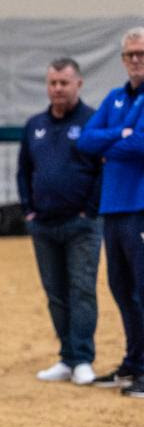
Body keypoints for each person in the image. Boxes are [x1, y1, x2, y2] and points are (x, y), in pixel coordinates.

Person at [17, 58, 102, 386]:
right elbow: (24, 171)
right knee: (55, 293)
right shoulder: (34, 125)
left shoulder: (93, 121)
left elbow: (103, 169)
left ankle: (83, 358)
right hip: (43, 225)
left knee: (82, 290)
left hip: (82, 225)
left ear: (78, 84)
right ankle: (67, 357)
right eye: (52, 83)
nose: (57, 89)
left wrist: (90, 210)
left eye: (64, 83)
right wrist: (29, 210)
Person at [77, 27, 144, 399]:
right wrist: (121, 134)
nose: (136, 59)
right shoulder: (115, 98)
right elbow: (86, 141)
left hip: (140, 206)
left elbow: (141, 144)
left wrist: (112, 140)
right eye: (130, 54)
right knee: (122, 289)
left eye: (141, 53)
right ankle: (134, 362)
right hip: (114, 207)